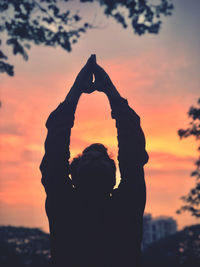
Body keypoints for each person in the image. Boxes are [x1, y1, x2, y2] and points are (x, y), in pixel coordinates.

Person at [40, 55, 149, 267]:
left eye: (99, 158)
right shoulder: (63, 201)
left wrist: (87, 90)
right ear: (72, 173)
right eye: (88, 157)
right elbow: (55, 152)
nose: (94, 157)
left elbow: (132, 153)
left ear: (113, 176)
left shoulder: (125, 203)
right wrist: (104, 89)